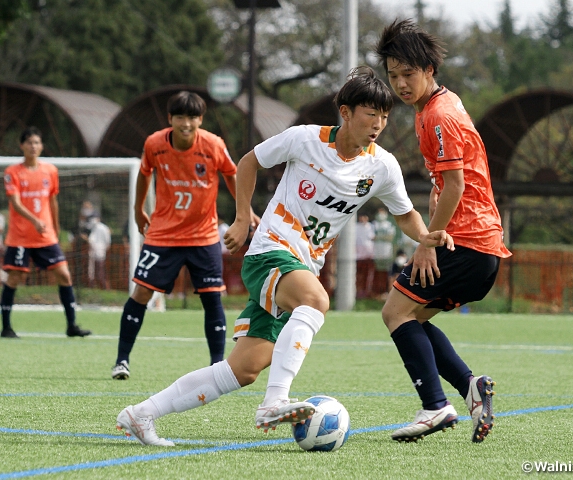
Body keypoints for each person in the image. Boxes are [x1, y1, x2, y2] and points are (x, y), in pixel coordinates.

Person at [115, 67, 453, 446]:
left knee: (243, 369)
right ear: (346, 113)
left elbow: (405, 213)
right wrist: (243, 218)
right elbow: (248, 162)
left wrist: (426, 236)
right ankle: (274, 402)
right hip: (269, 251)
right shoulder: (304, 139)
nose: (378, 124)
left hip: (303, 265)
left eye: (385, 116)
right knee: (316, 300)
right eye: (370, 114)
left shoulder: (382, 166)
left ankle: (141, 414)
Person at [375, 19, 512, 443]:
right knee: (413, 317)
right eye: (393, 74)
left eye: (408, 74)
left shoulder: (439, 115)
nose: (400, 83)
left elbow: (455, 185)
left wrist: (427, 243)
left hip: (466, 242)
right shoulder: (436, 106)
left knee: (394, 313)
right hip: (479, 245)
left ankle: (435, 407)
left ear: (429, 69)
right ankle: (470, 387)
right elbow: (447, 183)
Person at [111, 91, 258, 380]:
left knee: (212, 298)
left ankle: (218, 365)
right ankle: (121, 360)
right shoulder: (154, 143)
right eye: (180, 117)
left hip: (203, 236)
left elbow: (232, 174)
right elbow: (144, 174)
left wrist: (246, 211)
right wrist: (138, 208)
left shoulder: (213, 144)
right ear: (170, 119)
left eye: (192, 117)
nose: (186, 123)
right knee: (141, 292)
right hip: (163, 235)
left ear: (200, 120)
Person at [0, 126, 91, 339]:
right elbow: (15, 202)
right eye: (29, 142)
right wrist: (35, 220)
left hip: (45, 236)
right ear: (22, 145)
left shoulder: (50, 170)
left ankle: (72, 325)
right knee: (14, 278)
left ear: (42, 146)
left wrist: (56, 228)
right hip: (21, 237)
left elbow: (52, 200)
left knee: (64, 274)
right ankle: (6, 327)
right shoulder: (12, 172)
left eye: (37, 142)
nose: (33, 146)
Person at [372, 207, 396, 296]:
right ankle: (376, 292)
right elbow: (371, 237)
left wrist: (378, 237)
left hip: (387, 253)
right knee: (377, 274)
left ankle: (386, 291)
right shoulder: (374, 224)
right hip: (375, 253)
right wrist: (383, 237)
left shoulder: (389, 225)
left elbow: (390, 237)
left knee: (387, 273)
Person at [87, 215, 111, 289]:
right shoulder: (93, 227)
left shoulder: (103, 228)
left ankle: (102, 286)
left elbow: (107, 241)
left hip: (100, 250)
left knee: (99, 269)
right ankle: (94, 285)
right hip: (95, 250)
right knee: (93, 270)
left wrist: (103, 248)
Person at [355, 213, 376, 298]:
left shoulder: (370, 227)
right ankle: (357, 291)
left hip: (368, 255)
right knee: (357, 275)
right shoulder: (355, 227)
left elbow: (372, 237)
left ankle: (366, 292)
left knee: (367, 275)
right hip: (357, 256)